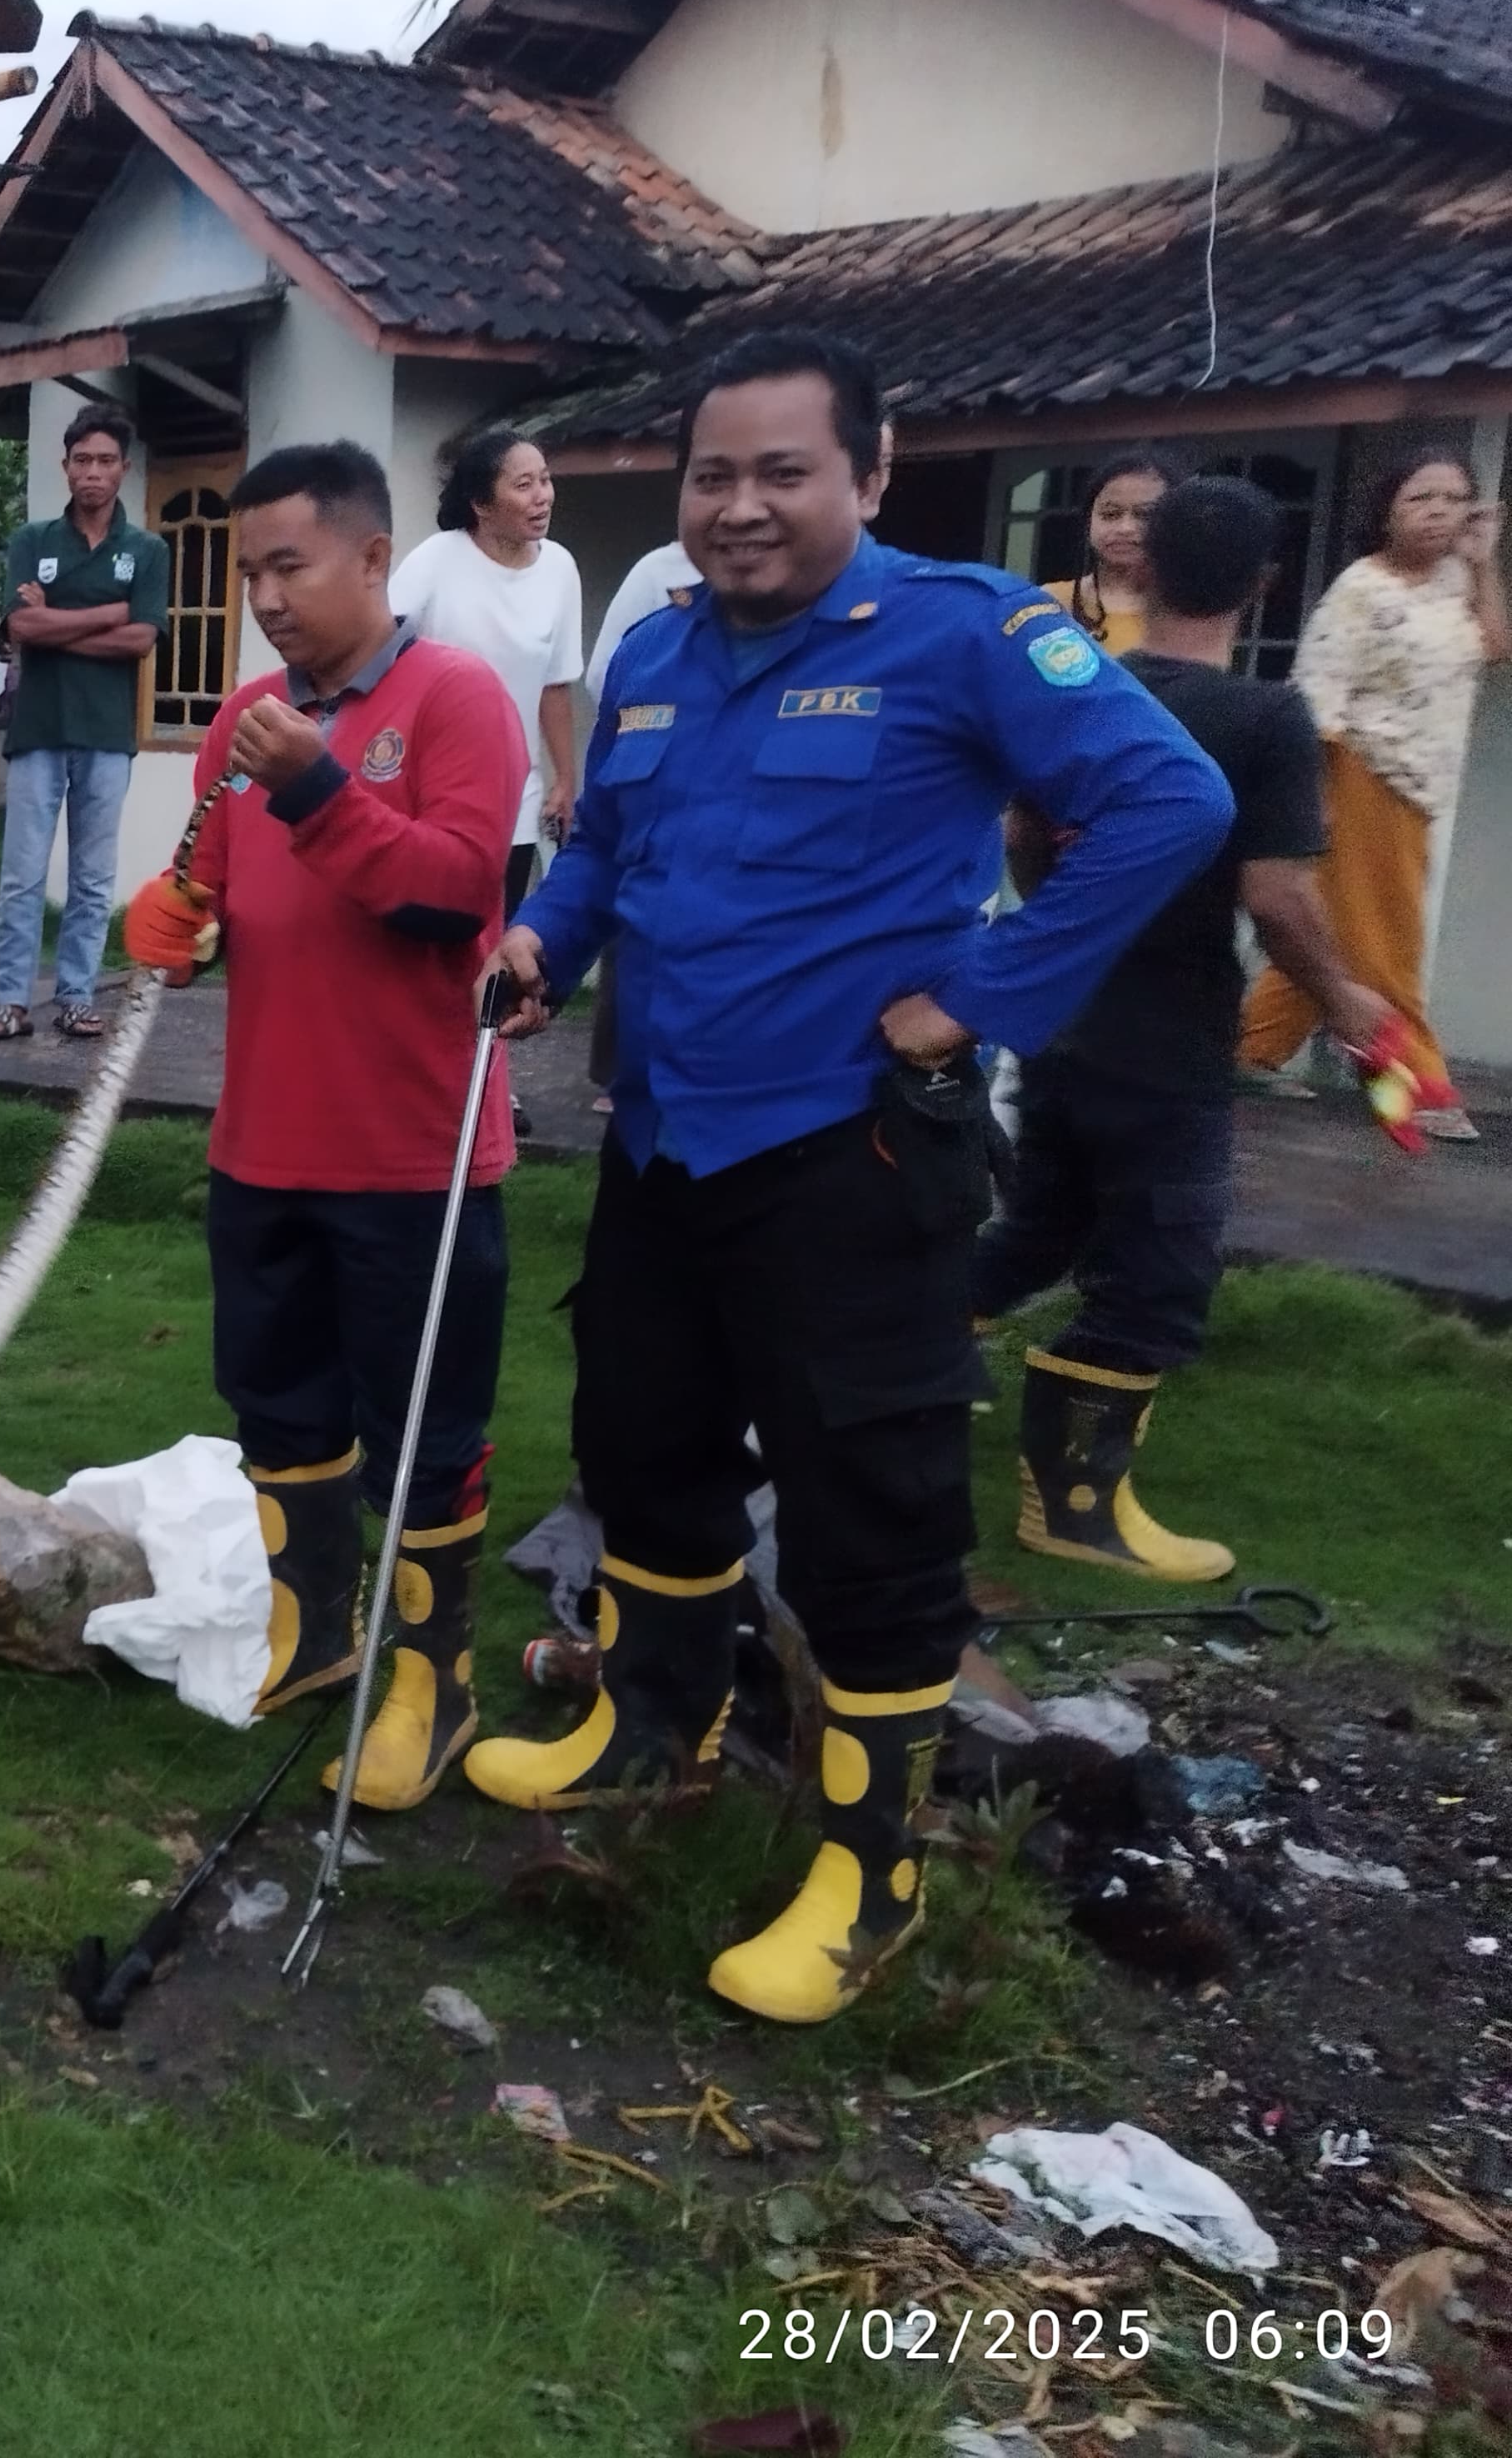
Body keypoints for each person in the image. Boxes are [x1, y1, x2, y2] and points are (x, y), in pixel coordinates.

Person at [480, 329, 1232, 2026]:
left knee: (866, 1514)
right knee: (641, 1446)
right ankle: (648, 1725)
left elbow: (1164, 802)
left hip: (852, 1150)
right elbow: (606, 838)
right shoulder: (661, 648)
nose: (739, 509)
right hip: (666, 1135)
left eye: (781, 473)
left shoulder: (961, 634)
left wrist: (979, 993)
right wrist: (544, 934)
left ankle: (867, 1871)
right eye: (711, 476)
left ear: (868, 476)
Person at [120, 443, 525, 1806]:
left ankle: (432, 1682)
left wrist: (316, 788)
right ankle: (313, 1635)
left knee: (427, 1430)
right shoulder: (244, 716)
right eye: (249, 576)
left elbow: (456, 891)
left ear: (370, 557)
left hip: (413, 1155)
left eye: (290, 566)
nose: (268, 599)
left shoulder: (455, 697)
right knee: (279, 1408)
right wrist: (176, 919)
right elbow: (214, 893)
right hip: (262, 1142)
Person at [977, 477, 1395, 1582]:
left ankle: (884, 1374)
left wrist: (1076, 923)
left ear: (1143, 568)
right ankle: (1071, 1510)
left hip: (1064, 1022)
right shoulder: (1263, 718)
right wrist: (1350, 1005)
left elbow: (1025, 830)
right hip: (1167, 1045)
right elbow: (1277, 896)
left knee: (1036, 1232)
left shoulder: (1088, 690)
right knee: (1155, 1281)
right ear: (1266, 586)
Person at [1237, 448, 1510, 1139]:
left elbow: (1497, 646)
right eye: (1421, 498)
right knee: (1385, 940)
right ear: (1387, 510)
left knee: (1335, 925)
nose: (1439, 511)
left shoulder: (1457, 580)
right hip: (1360, 774)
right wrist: (1316, 801)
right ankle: (1414, 1086)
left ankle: (1249, 1051)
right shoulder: (1361, 589)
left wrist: (1483, 562)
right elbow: (1316, 700)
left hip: (1421, 786)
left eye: (1453, 498)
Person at [0, 403, 166, 1042]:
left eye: (105, 461)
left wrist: (58, 623)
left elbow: (141, 640)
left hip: (107, 735)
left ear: (124, 469)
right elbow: (21, 627)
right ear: (65, 468)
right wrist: (109, 613)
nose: (93, 472)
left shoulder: (146, 549)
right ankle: (9, 999)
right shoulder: (34, 541)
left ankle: (77, 996)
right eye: (82, 460)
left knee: (92, 879)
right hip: (38, 729)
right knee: (22, 874)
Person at [390, 429, 584, 909]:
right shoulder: (436, 560)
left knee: (495, 943)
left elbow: (553, 685)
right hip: (430, 790)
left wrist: (565, 780)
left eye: (545, 480)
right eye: (523, 485)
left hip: (515, 793)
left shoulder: (559, 568)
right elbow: (377, 654)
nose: (542, 497)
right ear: (481, 503)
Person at [574, 541, 704, 1108]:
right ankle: (617, 1074)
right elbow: (608, 669)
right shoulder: (658, 570)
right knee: (634, 925)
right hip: (661, 777)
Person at [1040, 450, 1180, 654]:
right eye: (1110, 514)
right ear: (1089, 520)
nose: (1126, 528)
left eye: (1145, 515)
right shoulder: (1049, 602)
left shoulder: (1188, 612)